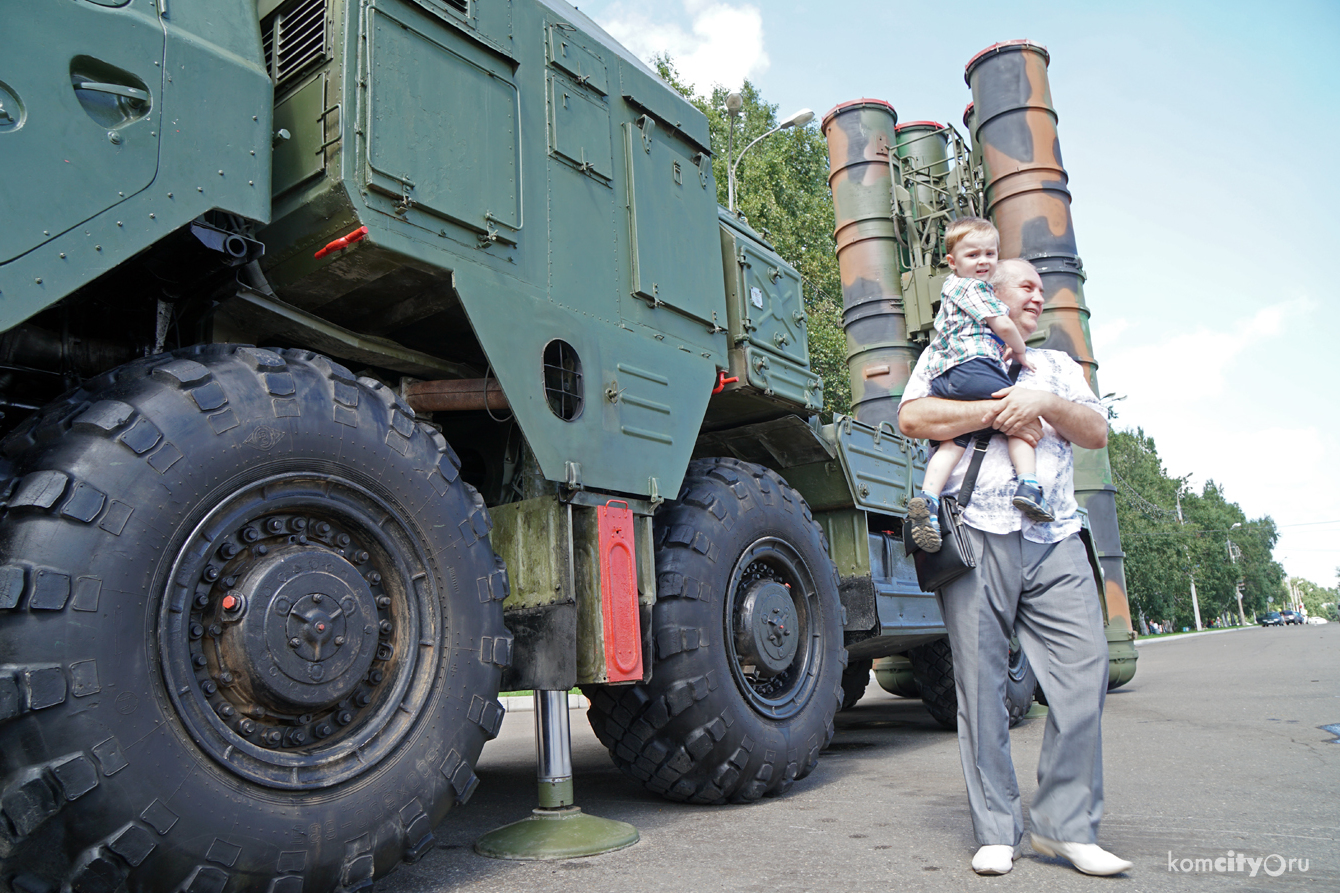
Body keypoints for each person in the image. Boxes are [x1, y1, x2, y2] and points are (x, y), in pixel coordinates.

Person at [898, 258, 1132, 877]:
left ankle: (1066, 828)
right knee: (980, 688)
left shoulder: (1055, 365)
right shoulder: (945, 347)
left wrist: (1042, 401)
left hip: (1053, 533)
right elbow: (913, 418)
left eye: (1040, 286)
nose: (1039, 295)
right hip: (977, 535)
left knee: (1085, 675)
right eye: (1025, 286)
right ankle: (997, 829)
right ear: (989, 293)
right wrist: (998, 409)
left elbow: (1095, 430)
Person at [907, 218, 1052, 556]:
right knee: (1021, 422)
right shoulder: (974, 288)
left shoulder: (950, 291)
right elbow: (1002, 323)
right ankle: (1029, 484)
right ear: (952, 262)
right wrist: (1019, 349)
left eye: (990, 253)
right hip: (974, 366)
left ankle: (927, 498)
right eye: (974, 255)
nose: (984, 261)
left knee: (953, 441)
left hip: (946, 376)